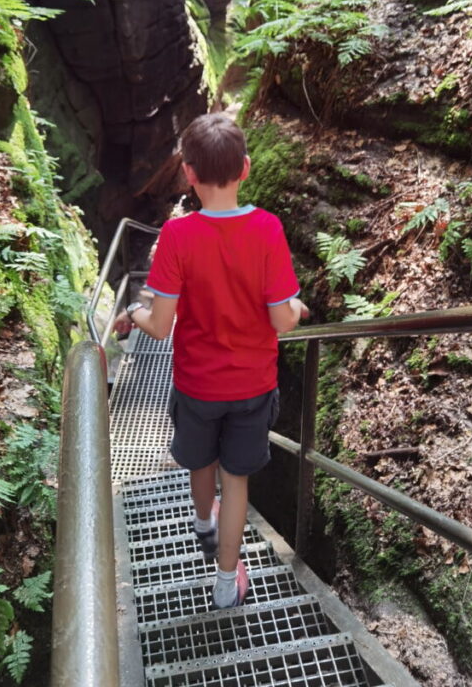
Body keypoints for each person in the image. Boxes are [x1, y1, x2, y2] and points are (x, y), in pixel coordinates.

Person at [121, 113, 308, 609]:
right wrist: (297, 307)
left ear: (189, 174)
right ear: (245, 168)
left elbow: (160, 325)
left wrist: (132, 313)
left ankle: (202, 522)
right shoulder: (267, 230)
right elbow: (282, 319)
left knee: (200, 461)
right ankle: (227, 583)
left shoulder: (179, 236)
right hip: (251, 385)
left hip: (197, 385)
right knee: (237, 480)